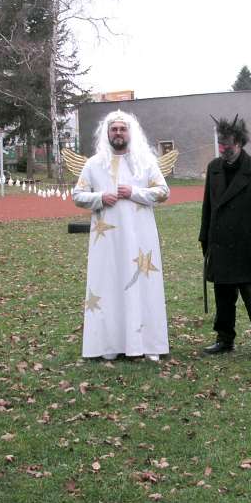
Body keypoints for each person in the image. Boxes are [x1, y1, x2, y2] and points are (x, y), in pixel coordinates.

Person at [73, 110, 170, 361]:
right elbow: (78, 195)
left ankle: (146, 344)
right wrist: (100, 197)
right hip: (107, 242)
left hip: (140, 238)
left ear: (130, 132)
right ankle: (109, 345)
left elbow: (163, 191)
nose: (118, 133)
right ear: (107, 133)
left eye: (122, 129)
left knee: (142, 286)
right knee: (108, 285)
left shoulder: (145, 162)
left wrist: (134, 192)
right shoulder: (94, 164)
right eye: (114, 129)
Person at [199, 115, 251, 359]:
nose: (223, 149)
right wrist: (205, 239)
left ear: (240, 142)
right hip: (220, 244)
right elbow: (208, 207)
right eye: (220, 144)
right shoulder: (214, 168)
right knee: (223, 297)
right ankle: (224, 339)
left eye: (228, 145)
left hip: (248, 245)